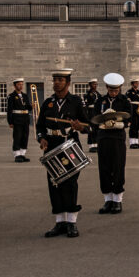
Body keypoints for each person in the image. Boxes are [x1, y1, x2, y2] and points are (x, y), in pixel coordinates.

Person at [36, 69, 89, 238]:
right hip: (51, 145)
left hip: (69, 144)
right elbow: (39, 126)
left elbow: (87, 125)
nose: (56, 82)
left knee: (70, 183)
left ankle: (72, 222)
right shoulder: (48, 102)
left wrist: (81, 127)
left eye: (60, 79)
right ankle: (60, 222)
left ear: (68, 83)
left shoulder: (76, 101)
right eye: (55, 80)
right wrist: (42, 138)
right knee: (54, 183)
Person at [94, 73, 133, 213]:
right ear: (107, 88)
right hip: (104, 137)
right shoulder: (100, 101)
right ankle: (107, 200)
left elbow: (129, 118)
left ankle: (117, 200)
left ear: (120, 88)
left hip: (117, 138)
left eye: (116, 90)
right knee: (104, 169)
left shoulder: (124, 101)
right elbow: (94, 118)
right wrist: (101, 125)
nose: (114, 93)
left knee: (117, 167)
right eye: (111, 90)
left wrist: (120, 125)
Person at [7, 78, 32, 162]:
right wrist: (10, 121)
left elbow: (28, 107)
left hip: (25, 118)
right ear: (15, 86)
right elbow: (9, 110)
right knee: (17, 136)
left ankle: (22, 154)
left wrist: (32, 106)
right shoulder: (11, 96)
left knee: (25, 136)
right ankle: (17, 155)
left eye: (21, 84)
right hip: (17, 118)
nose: (20, 86)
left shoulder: (25, 95)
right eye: (18, 84)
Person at [83, 78, 101, 153]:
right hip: (90, 112)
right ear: (90, 85)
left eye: (96, 84)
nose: (95, 85)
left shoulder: (97, 93)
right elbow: (86, 105)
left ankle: (96, 144)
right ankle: (91, 145)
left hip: (96, 112)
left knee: (96, 129)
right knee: (91, 129)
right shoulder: (87, 94)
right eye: (93, 84)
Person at [126, 79, 139, 149]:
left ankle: (136, 142)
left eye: (138, 83)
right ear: (132, 83)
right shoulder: (129, 92)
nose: (137, 84)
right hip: (133, 111)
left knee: (137, 127)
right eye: (136, 83)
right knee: (133, 127)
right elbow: (128, 102)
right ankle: (132, 143)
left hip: (138, 111)